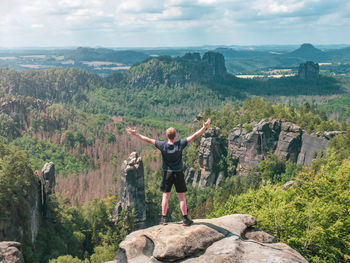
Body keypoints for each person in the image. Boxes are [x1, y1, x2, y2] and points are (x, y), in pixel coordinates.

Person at [126, 118, 211, 226]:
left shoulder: (163, 145)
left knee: (166, 195)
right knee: (181, 197)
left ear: (167, 136)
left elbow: (148, 139)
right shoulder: (180, 144)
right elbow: (194, 136)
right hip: (178, 173)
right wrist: (204, 127)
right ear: (175, 136)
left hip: (167, 173)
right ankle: (185, 218)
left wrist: (136, 134)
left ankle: (164, 218)